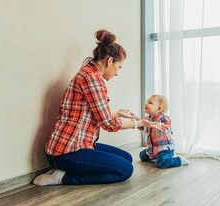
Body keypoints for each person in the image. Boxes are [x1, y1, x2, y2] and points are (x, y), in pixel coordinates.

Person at [33, 29, 161, 186]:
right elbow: (107, 124)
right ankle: (63, 178)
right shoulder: (91, 79)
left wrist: (116, 113)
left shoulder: (89, 74)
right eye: (118, 67)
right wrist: (140, 123)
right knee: (125, 170)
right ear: (109, 61)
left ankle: (65, 171)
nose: (117, 73)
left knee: (126, 158)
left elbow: (91, 114)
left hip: (78, 144)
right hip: (66, 152)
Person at [139, 94, 189, 168]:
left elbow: (167, 128)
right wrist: (138, 122)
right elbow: (142, 128)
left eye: (150, 103)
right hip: (153, 149)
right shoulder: (147, 118)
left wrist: (160, 125)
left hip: (165, 149)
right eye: (147, 102)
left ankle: (179, 161)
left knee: (161, 163)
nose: (146, 104)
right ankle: (157, 156)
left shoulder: (164, 118)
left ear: (159, 108)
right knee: (142, 156)